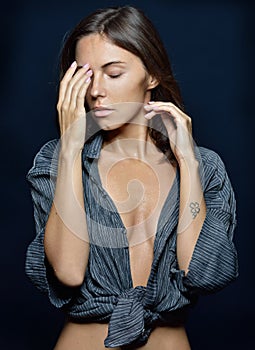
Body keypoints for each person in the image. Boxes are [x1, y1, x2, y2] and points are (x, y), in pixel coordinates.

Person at [25, 6, 238, 350]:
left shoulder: (205, 166)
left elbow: (202, 272)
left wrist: (188, 160)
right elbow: (68, 271)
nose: (96, 91)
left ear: (152, 75)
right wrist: (69, 147)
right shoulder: (56, 160)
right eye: (86, 76)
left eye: (113, 73)